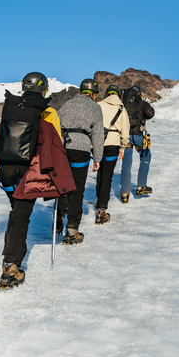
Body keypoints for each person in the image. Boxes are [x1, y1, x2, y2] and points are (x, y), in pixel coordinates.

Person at [0, 72, 76, 289]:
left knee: (17, 212)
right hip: (29, 170)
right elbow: (54, 142)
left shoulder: (12, 108)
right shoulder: (48, 111)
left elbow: (1, 140)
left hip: (6, 169)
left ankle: (10, 257)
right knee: (21, 216)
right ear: (44, 90)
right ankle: (11, 267)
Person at [56, 78, 104, 244]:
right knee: (77, 190)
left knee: (61, 186)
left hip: (62, 148)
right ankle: (72, 229)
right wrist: (98, 158)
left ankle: (58, 221)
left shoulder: (67, 104)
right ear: (93, 94)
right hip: (81, 149)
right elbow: (97, 134)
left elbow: (56, 125)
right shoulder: (95, 108)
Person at [94, 85, 131, 223]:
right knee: (107, 175)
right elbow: (125, 132)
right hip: (113, 144)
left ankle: (98, 199)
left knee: (100, 171)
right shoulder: (121, 108)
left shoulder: (98, 105)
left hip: (97, 142)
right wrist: (122, 148)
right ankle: (102, 210)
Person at [119, 85, 155, 203]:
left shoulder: (123, 103)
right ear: (139, 94)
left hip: (126, 137)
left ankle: (124, 193)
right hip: (139, 136)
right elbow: (150, 113)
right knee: (145, 155)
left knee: (126, 162)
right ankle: (141, 186)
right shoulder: (142, 103)